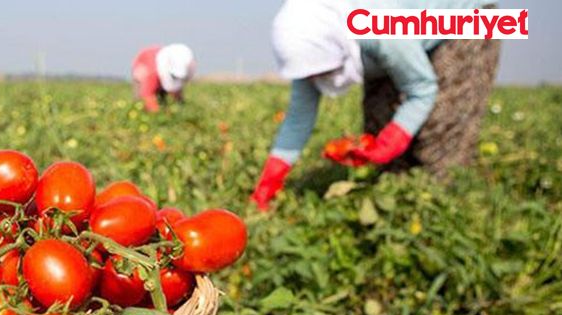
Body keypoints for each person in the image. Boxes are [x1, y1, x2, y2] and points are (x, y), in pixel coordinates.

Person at [251, 0, 500, 211]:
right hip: (400, 39)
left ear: (338, 45)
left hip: (461, 18)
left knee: (442, 123)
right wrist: (271, 178)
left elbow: (422, 89)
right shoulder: (311, 49)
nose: (316, 80)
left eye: (323, 72)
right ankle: (397, 201)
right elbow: (298, 119)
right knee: (379, 118)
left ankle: (442, 208)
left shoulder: (378, 28)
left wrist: (395, 137)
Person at [131, 44, 196, 113]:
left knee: (165, 99)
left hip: (159, 72)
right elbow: (147, 95)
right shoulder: (151, 73)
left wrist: (180, 103)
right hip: (145, 73)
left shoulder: (179, 63)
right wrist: (158, 114)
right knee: (140, 103)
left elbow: (176, 88)